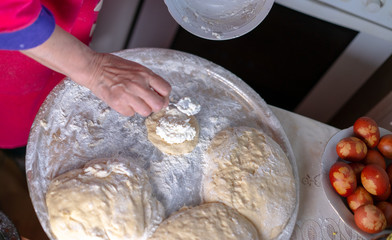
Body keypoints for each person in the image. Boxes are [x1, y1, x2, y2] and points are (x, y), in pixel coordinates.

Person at [0, 0, 172, 149]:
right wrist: (93, 69)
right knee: (20, 125)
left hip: (64, 34)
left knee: (52, 108)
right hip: (14, 59)